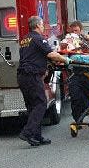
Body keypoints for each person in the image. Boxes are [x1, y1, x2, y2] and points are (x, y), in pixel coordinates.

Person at [18, 16, 70, 146]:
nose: (43, 27)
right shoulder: (38, 39)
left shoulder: (25, 39)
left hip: (23, 76)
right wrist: (66, 60)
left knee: (32, 106)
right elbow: (51, 54)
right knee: (41, 103)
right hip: (32, 76)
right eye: (42, 25)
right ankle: (27, 132)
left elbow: (33, 56)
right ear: (37, 25)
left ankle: (36, 136)